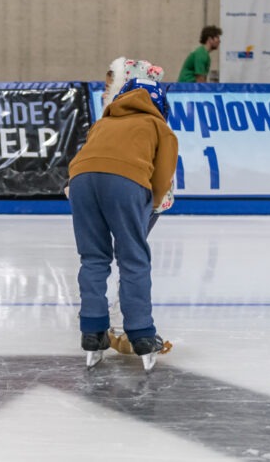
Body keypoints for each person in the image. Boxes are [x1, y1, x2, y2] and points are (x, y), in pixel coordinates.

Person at [68, 60, 178, 371]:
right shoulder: (158, 126)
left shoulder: (103, 122)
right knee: (133, 257)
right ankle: (142, 333)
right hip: (126, 182)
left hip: (80, 179)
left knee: (93, 257)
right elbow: (163, 180)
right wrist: (148, 205)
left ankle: (92, 331)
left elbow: (88, 158)